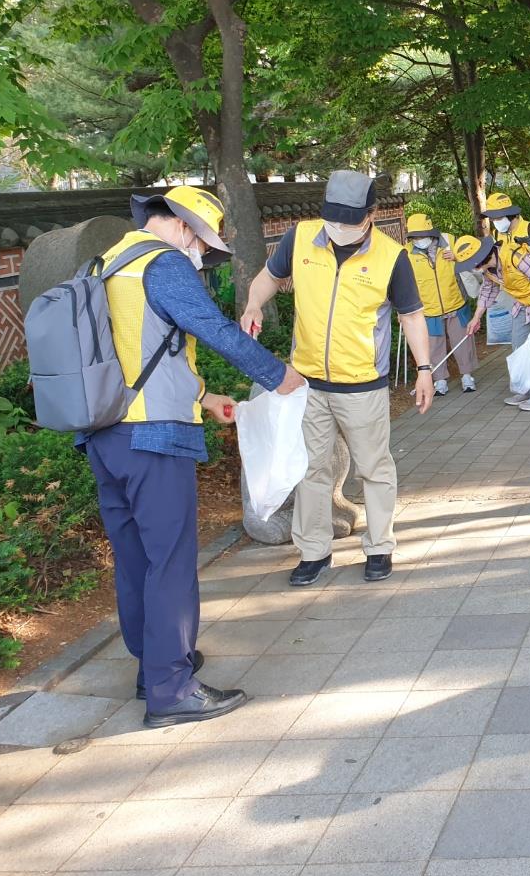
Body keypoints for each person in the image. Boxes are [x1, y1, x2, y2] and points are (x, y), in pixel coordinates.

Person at [85, 186, 306, 727]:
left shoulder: (106, 263)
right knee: (171, 562)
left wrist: (203, 397)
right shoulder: (163, 264)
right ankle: (171, 690)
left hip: (103, 433)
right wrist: (278, 375)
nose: (202, 256)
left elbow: (138, 353)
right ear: (184, 228)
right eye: (204, 246)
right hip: (153, 439)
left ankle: (153, 667)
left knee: (136, 558)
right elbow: (213, 329)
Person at [241, 171, 434, 589]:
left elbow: (412, 316)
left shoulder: (391, 256)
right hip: (307, 382)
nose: (340, 228)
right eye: (334, 219)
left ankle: (379, 546)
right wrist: (254, 304)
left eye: (350, 221)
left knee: (374, 468)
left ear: (371, 215)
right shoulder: (300, 238)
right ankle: (314, 551)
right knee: (311, 470)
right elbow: (270, 278)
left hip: (363, 384)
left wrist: (423, 369)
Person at [459, 231, 530, 410]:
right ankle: (524, 389)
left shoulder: (516, 256)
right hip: (523, 301)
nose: (471, 268)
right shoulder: (488, 270)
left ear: (481, 258)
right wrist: (476, 317)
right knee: (519, 345)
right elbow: (487, 291)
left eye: (471, 264)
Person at [405, 213, 478, 395]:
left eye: (421, 235)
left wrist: (457, 257)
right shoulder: (407, 253)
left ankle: (467, 376)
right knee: (433, 346)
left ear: (430, 232)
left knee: (462, 341)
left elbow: (472, 259)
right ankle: (439, 381)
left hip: (455, 302)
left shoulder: (450, 241)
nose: (418, 240)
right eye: (415, 237)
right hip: (429, 308)